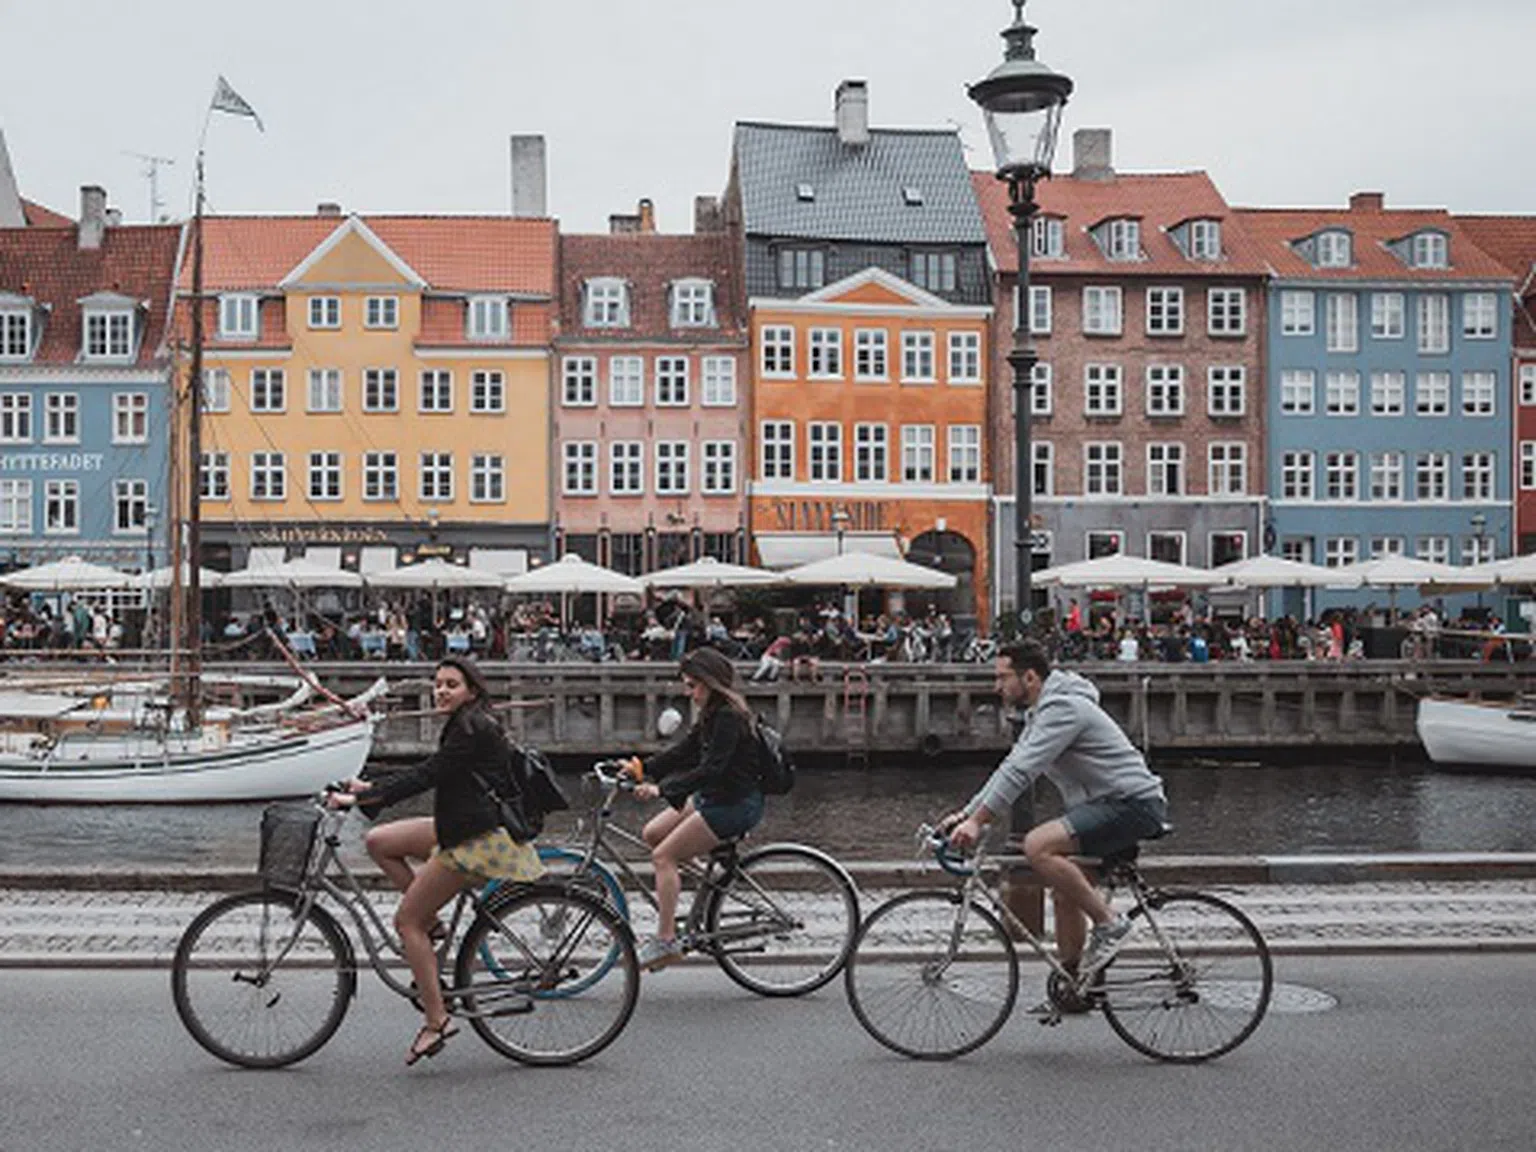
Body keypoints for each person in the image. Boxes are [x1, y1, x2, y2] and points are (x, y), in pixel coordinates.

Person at [329, 656, 542, 1065]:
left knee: (405, 922)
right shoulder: (468, 720)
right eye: (438, 683)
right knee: (379, 841)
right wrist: (370, 785)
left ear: (471, 691)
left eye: (451, 684)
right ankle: (434, 923)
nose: (441, 690)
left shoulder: (469, 727)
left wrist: (360, 797)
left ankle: (436, 1020)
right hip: (459, 823)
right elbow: (430, 771)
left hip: (474, 838)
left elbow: (427, 776)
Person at [942, 640, 1168, 991]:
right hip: (1108, 806)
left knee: (1038, 846)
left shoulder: (1064, 710)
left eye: (1002, 678)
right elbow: (1010, 766)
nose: (996, 686)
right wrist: (967, 814)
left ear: (1029, 677)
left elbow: (1021, 772)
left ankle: (1110, 925)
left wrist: (978, 822)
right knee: (1065, 892)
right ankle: (1074, 985)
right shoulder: (1042, 712)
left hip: (1132, 804)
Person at [620, 647, 764, 971]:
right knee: (653, 833)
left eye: (692, 685)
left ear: (711, 683)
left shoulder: (728, 716)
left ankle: (666, 941)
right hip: (715, 797)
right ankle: (709, 885)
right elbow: (685, 751)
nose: (688, 692)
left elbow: (711, 769)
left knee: (663, 857)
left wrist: (662, 789)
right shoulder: (712, 713)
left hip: (735, 805)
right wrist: (642, 767)